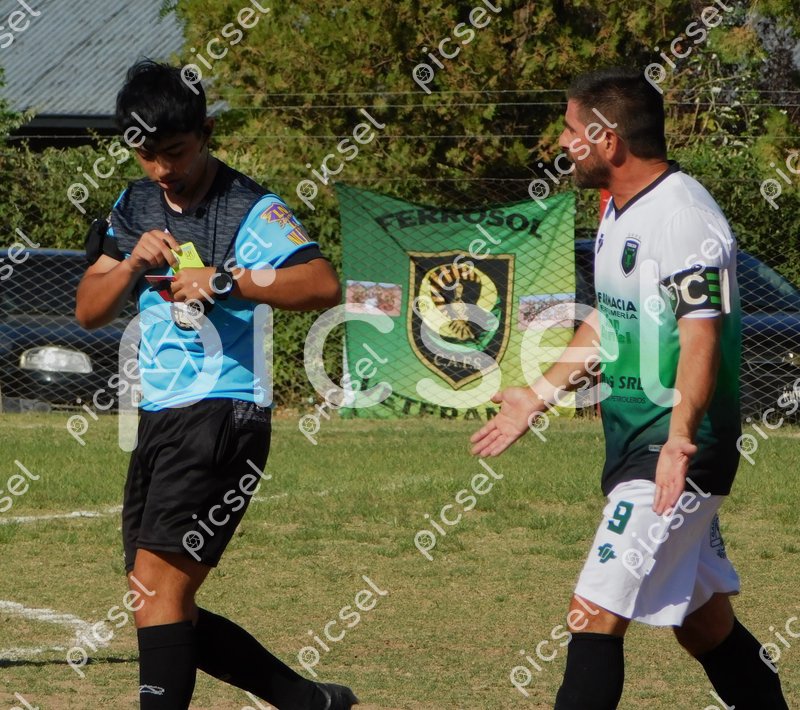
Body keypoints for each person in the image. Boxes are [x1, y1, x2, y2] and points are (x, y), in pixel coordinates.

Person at [471, 67, 789, 709]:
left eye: (571, 131)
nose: (563, 144)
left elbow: (700, 337)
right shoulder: (619, 207)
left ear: (607, 140)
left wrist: (678, 441)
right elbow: (610, 321)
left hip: (674, 453)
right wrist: (536, 396)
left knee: (592, 612)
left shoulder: (684, 217)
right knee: (703, 625)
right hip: (641, 449)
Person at [75, 60, 358, 710]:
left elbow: (321, 284)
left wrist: (228, 281)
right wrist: (130, 264)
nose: (161, 169)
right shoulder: (133, 205)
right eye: (146, 155)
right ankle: (309, 702)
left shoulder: (250, 210)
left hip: (224, 413)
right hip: (158, 417)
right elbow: (89, 309)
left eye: (174, 152)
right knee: (156, 599)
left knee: (159, 588)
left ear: (205, 134)